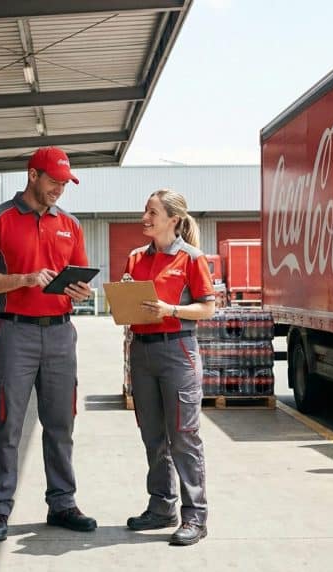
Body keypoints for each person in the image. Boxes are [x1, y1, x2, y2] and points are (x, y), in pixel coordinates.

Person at [0, 147, 97, 542]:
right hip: (14, 333)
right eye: (54, 181)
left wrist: (81, 292)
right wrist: (21, 279)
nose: (59, 189)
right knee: (6, 423)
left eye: (64, 183)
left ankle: (62, 503)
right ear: (33, 175)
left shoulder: (70, 225)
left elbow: (83, 285)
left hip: (60, 333)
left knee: (61, 422)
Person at [122, 189, 216, 546]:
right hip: (142, 352)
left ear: (173, 219)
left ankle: (195, 517)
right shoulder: (135, 258)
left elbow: (208, 309)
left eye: (152, 212)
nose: (145, 217)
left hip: (178, 350)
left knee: (183, 436)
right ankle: (162, 507)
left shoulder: (191, 259)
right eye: (145, 210)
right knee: (153, 436)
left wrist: (170, 309)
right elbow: (128, 303)